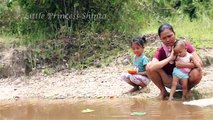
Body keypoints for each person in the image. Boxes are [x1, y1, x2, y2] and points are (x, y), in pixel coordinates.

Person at [146, 23, 203, 100]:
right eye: (164, 38)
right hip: (170, 81)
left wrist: (183, 65)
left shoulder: (184, 45)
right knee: (148, 66)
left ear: (174, 34)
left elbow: (199, 62)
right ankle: (163, 91)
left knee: (197, 71)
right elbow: (151, 67)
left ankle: (187, 90)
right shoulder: (161, 51)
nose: (168, 40)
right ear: (160, 39)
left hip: (187, 78)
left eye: (170, 36)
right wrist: (170, 58)